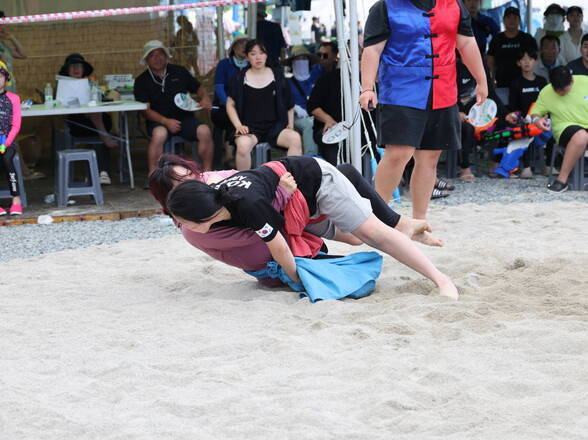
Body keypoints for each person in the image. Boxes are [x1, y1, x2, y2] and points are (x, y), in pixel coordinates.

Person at [166, 155, 459, 299]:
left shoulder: (247, 206)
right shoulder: (217, 200)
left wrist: (298, 280)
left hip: (317, 182)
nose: (183, 228)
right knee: (356, 239)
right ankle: (404, 227)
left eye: (185, 222)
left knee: (373, 234)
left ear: (204, 216)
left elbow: (279, 247)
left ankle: (440, 278)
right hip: (299, 203)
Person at [360, 0, 487, 227]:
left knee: (429, 159)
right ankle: (375, 221)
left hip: (443, 90)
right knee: (398, 155)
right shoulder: (385, 7)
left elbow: (466, 43)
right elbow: (373, 49)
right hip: (400, 91)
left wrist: (481, 80)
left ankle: (419, 222)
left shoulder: (455, 5)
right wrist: (368, 88)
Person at [134, 40, 214, 175]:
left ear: (166, 57)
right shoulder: (141, 80)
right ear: (146, 59)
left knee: (204, 130)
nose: (157, 58)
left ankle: (207, 171)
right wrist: (166, 121)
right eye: (152, 55)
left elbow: (198, 88)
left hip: (185, 118)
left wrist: (205, 98)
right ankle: (153, 174)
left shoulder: (179, 71)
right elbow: (145, 111)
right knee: (159, 134)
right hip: (158, 121)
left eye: (160, 54)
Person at [226, 40, 302, 170]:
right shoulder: (240, 78)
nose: (258, 57)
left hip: (275, 126)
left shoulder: (277, 75)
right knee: (243, 145)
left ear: (266, 55)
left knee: (295, 138)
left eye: (261, 53)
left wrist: (290, 125)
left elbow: (289, 103)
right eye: (253, 53)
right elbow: (230, 104)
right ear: (247, 57)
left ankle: (291, 180)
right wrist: (238, 125)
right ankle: (243, 184)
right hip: (250, 128)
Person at [58, 53, 118, 185]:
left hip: (96, 123)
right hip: (78, 124)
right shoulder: (61, 87)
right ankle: (102, 170)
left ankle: (100, 172)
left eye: (79, 66)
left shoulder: (92, 84)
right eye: (72, 66)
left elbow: (106, 98)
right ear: (67, 70)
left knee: (97, 114)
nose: (76, 69)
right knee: (98, 124)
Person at [530, 67, 588, 193]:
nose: (560, 92)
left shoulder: (585, 81)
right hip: (565, 127)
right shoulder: (546, 92)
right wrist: (537, 120)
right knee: (581, 136)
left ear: (572, 81)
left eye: (563, 89)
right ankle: (562, 180)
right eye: (557, 89)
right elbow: (535, 113)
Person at [506, 49, 548, 179]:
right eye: (523, 59)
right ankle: (527, 167)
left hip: (541, 118)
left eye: (530, 59)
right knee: (528, 130)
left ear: (535, 62)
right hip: (523, 120)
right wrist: (522, 117)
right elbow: (512, 106)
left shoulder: (541, 81)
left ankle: (548, 166)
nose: (527, 62)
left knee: (555, 126)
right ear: (518, 63)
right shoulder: (516, 83)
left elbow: (547, 102)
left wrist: (544, 116)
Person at [211, 37, 250, 165]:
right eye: (240, 44)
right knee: (229, 116)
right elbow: (219, 87)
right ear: (233, 47)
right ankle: (229, 152)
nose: (244, 47)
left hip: (245, 106)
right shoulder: (224, 64)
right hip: (222, 106)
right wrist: (229, 103)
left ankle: (237, 153)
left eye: (247, 44)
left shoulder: (251, 64)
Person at [487, 7, 537, 88]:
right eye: (509, 17)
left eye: (515, 18)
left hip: (524, 84)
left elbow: (535, 59)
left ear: (519, 20)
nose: (512, 20)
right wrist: (492, 80)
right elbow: (490, 62)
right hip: (502, 83)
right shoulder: (497, 39)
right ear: (503, 20)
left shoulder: (527, 38)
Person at [284, 46, 321, 155]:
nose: (302, 61)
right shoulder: (287, 82)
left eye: (304, 58)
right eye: (298, 59)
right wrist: (295, 107)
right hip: (296, 117)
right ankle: (311, 157)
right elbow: (283, 101)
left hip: (317, 114)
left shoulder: (316, 77)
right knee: (309, 124)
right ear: (292, 62)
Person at [0, 61, 23, 215]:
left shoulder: (13, 98)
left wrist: (6, 142)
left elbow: (16, 125)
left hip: (7, 142)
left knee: (7, 160)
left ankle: (16, 200)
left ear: (6, 78)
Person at [0, 10, 27, 93]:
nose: (3, 27)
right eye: (0, 25)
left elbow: (23, 55)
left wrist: (11, 38)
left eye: (4, 24)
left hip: (9, 84)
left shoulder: (3, 44)